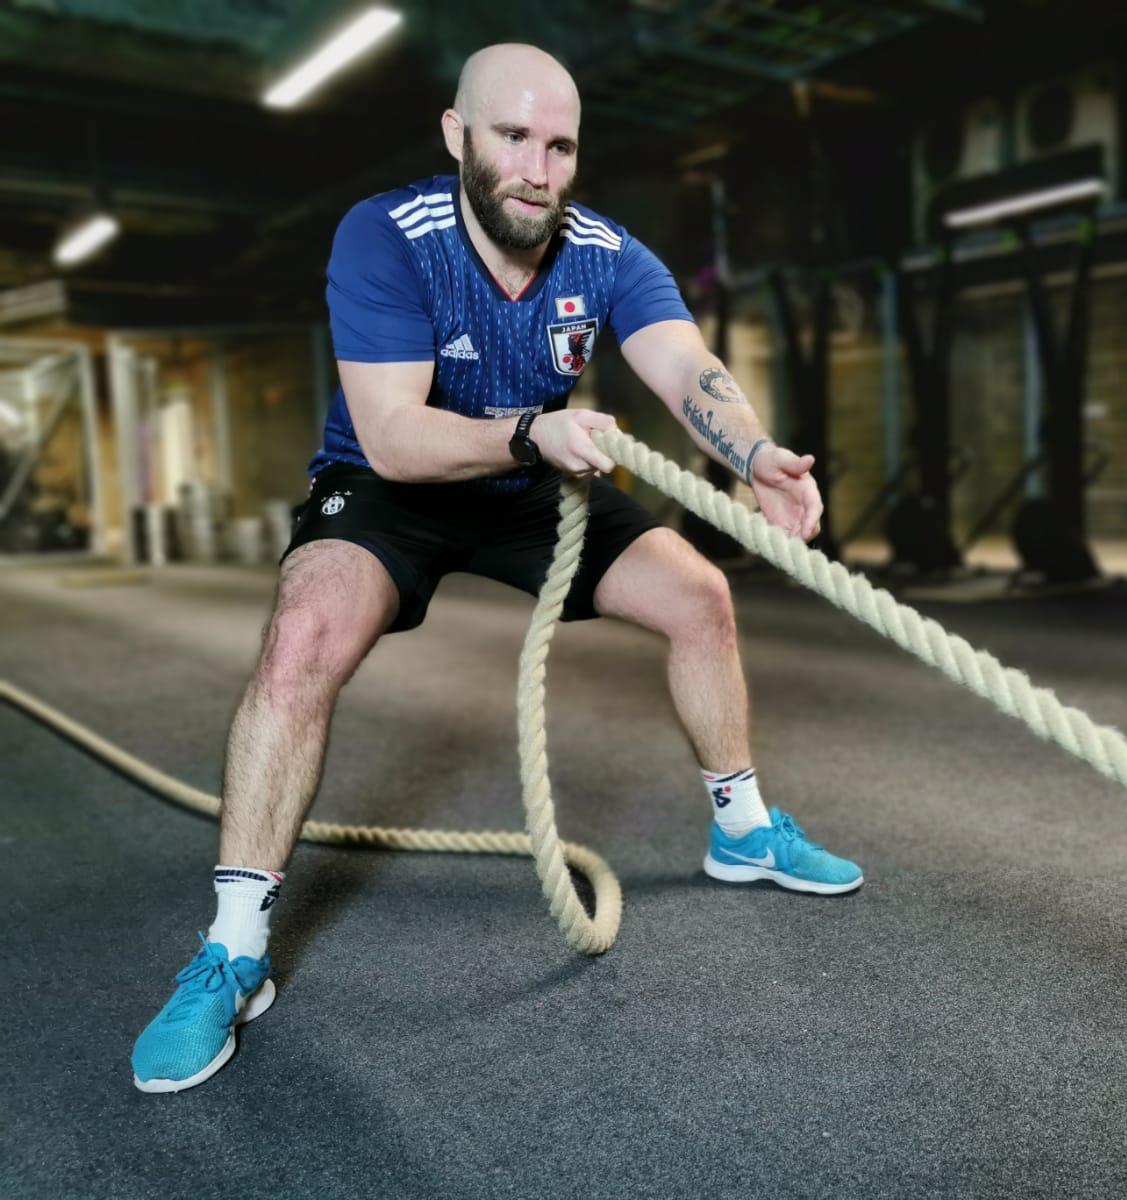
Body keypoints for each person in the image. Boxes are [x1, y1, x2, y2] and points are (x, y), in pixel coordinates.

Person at [131, 43, 862, 1095]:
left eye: (559, 145)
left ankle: (743, 830)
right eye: (513, 137)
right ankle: (233, 949)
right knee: (301, 637)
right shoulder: (388, 235)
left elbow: (686, 367)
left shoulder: (606, 252)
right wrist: (529, 430)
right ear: (457, 136)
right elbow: (390, 436)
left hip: (535, 484)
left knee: (700, 597)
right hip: (402, 483)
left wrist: (756, 457)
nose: (537, 167)